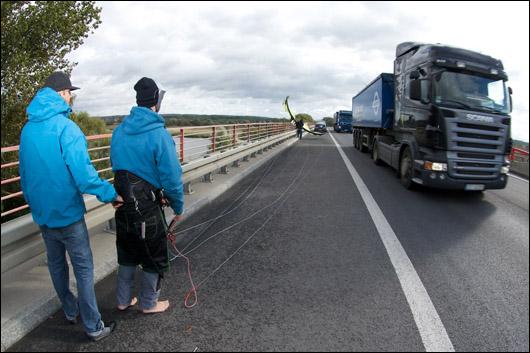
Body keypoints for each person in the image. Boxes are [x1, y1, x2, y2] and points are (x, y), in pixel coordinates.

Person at [19, 71, 121, 342]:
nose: (70, 97)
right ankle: (93, 326)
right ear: (62, 94)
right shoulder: (67, 128)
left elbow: (25, 175)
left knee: (56, 265)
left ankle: (69, 309)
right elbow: (85, 177)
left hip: (43, 215)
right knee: (84, 269)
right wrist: (110, 193)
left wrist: (35, 204)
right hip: (68, 215)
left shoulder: (28, 129)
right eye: (69, 93)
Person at [110, 77, 184, 314]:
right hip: (147, 208)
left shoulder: (119, 131)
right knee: (154, 255)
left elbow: (116, 166)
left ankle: (122, 300)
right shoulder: (159, 134)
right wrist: (178, 206)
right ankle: (149, 303)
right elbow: (171, 178)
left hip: (122, 205)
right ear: (156, 101)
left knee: (127, 251)